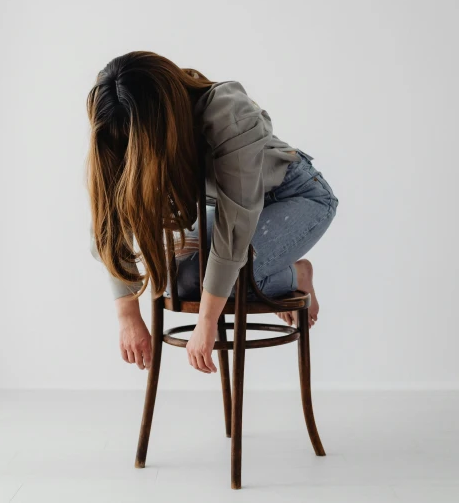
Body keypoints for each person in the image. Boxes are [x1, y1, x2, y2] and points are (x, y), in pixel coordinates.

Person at [88, 51, 338, 375]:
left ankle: (296, 275)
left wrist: (207, 321)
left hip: (293, 196)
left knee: (220, 282)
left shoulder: (226, 109)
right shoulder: (117, 124)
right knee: (175, 280)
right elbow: (108, 220)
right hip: (233, 209)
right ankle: (276, 271)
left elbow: (235, 223)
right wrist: (128, 318)